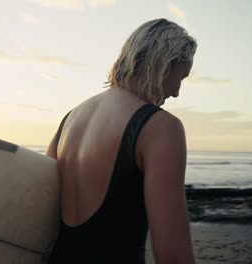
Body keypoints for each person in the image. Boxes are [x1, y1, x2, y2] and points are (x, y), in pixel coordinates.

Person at [45, 18, 197, 263]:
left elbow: (42, 205)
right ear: (163, 66)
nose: (176, 91)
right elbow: (173, 255)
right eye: (181, 77)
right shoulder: (160, 127)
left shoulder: (71, 118)